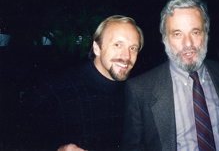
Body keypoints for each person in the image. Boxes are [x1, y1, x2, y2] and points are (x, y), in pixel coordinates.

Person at [122, 0, 219, 150]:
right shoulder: (140, 90)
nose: (188, 43)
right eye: (177, 34)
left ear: (207, 34)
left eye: (195, 32)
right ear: (164, 39)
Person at [18, 15, 144, 151]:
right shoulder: (56, 89)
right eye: (117, 45)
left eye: (133, 48)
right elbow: (17, 136)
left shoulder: (135, 94)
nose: (126, 56)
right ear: (96, 48)